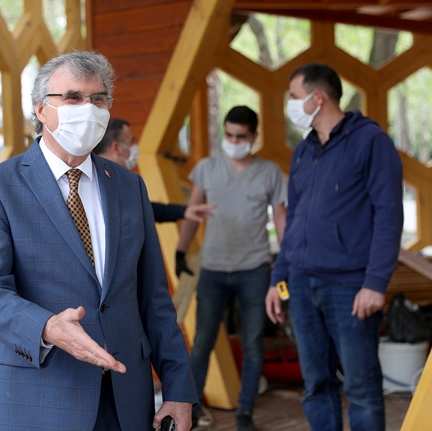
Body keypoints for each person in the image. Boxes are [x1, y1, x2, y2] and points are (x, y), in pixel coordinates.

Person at [0, 51, 198, 431]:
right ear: (41, 109)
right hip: (39, 398)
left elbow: (154, 297)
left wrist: (178, 388)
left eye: (98, 99)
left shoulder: (129, 186)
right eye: (72, 97)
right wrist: (47, 327)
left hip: (127, 400)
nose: (87, 109)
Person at [265, 63, 403, 431]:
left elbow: (389, 214)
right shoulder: (302, 151)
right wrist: (278, 280)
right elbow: (294, 221)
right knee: (315, 385)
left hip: (350, 287)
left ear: (317, 97)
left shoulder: (371, 141)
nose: (291, 105)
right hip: (300, 285)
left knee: (361, 388)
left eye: (294, 97)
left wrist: (375, 283)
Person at [176, 106, 287, 431]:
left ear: (254, 137)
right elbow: (193, 213)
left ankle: (245, 412)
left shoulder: (270, 172)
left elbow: (282, 220)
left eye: (241, 137)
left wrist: (285, 264)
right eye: (229, 135)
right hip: (212, 269)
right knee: (202, 342)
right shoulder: (207, 168)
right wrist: (181, 250)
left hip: (255, 269)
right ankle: (191, 412)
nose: (234, 142)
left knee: (253, 343)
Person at [93, 118, 216, 223]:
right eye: (131, 142)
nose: (135, 147)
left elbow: (144, 210)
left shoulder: (120, 181)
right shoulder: (96, 183)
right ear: (117, 148)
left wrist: (183, 211)